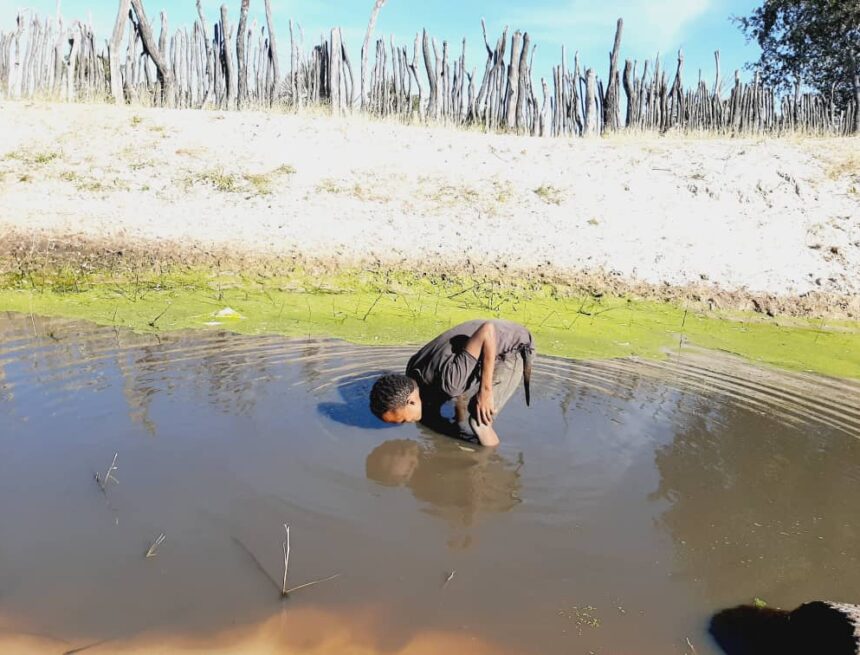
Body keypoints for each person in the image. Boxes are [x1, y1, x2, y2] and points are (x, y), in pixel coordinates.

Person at [369, 319, 534, 446]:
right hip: (484, 342)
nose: (406, 424)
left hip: (513, 346)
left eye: (404, 420)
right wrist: (457, 416)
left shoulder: (450, 382)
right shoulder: (412, 371)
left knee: (478, 421)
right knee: (429, 413)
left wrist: (485, 391)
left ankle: (489, 463)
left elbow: (487, 330)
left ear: (411, 400)